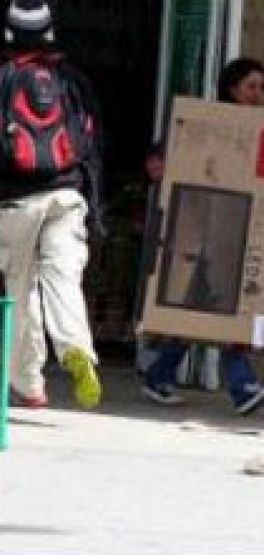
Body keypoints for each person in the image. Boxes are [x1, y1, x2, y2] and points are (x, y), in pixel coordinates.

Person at [140, 57, 264, 415]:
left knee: (218, 306)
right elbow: (163, 154)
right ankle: (241, 386)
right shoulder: (204, 122)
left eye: (262, 88)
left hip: (236, 232)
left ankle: (164, 376)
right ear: (232, 89)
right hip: (199, 227)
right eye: (251, 87)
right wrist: (157, 165)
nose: (258, 95)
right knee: (206, 304)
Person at [0, 0, 103, 409]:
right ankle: (77, 347)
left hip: (14, 202)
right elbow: (92, 145)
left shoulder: (4, 77)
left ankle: (29, 385)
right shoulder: (71, 81)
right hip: (67, 194)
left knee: (20, 289)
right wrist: (94, 205)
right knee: (63, 278)